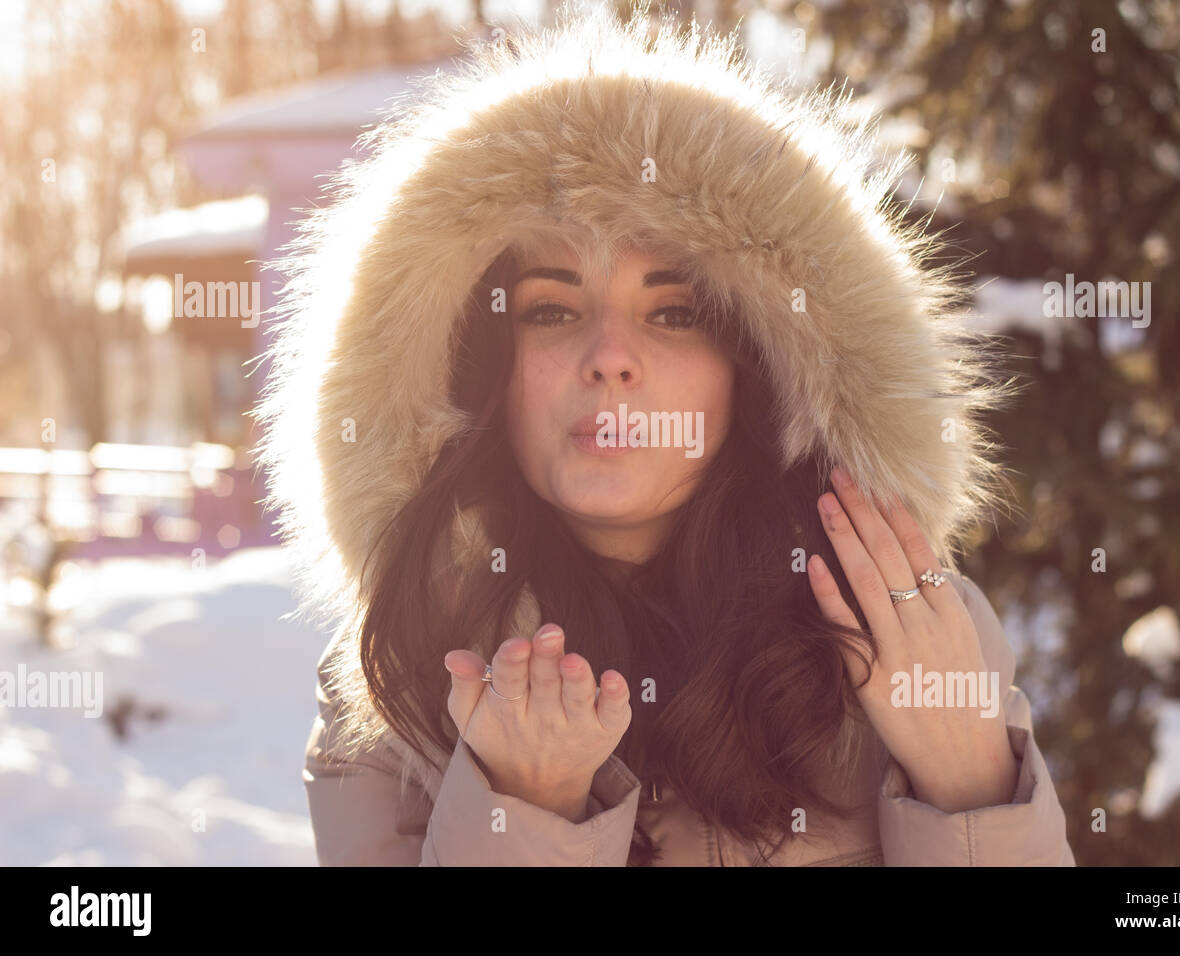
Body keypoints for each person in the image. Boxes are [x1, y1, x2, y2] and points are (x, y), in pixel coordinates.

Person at [253, 0, 1075, 866]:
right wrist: (525, 811)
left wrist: (971, 783)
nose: (609, 358)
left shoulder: (909, 626)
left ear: (755, 367)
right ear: (480, 364)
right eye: (552, 309)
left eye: (676, 311)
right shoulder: (408, 664)